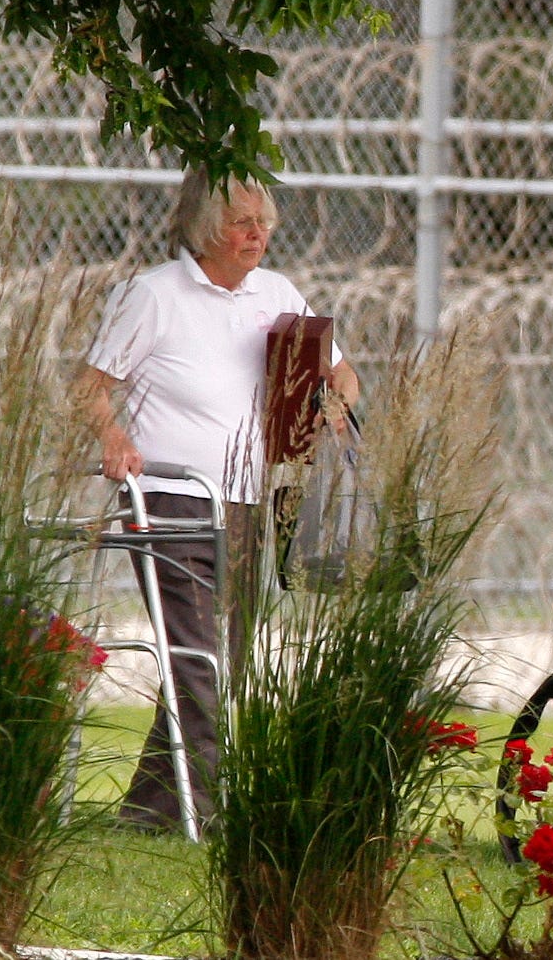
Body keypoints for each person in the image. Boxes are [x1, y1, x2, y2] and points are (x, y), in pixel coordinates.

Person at [76, 168, 359, 832]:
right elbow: (86, 386)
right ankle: (207, 815)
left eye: (264, 222)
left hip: (248, 501)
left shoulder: (278, 292)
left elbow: (339, 367)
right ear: (208, 228)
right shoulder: (152, 295)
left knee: (216, 659)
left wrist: (336, 399)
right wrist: (115, 437)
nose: (258, 234)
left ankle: (150, 814)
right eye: (243, 223)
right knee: (198, 657)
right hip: (171, 501)